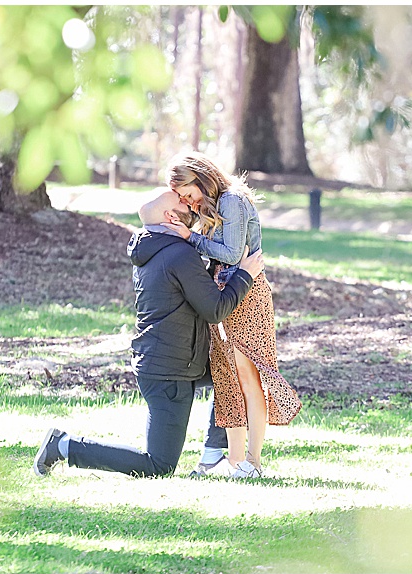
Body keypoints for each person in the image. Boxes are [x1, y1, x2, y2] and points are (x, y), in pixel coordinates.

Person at [34, 189, 264, 478]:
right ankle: (64, 446)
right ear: (170, 216)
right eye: (181, 201)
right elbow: (215, 309)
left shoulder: (152, 249)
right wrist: (245, 274)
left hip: (172, 360)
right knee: (158, 465)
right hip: (170, 371)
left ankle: (213, 453)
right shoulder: (178, 254)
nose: (188, 202)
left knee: (233, 373)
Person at [163, 152, 302, 478]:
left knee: (250, 379)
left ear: (201, 178)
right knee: (228, 382)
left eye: (187, 192)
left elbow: (232, 253)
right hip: (225, 297)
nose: (186, 200)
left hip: (248, 296)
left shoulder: (232, 201)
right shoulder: (208, 207)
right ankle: (236, 462)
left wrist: (190, 237)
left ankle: (253, 462)